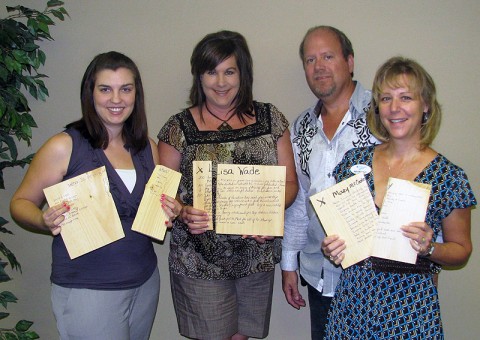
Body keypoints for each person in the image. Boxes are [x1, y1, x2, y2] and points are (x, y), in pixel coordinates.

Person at [10, 51, 181, 340]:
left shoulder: (147, 148)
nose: (116, 99)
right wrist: (43, 220)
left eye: (125, 89)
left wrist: (170, 210)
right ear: (90, 93)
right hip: (88, 288)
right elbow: (19, 203)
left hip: (144, 282)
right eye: (106, 89)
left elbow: (151, 209)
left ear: (136, 95)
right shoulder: (64, 146)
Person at [322, 56, 476, 338]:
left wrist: (430, 248)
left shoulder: (448, 176)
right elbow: (342, 234)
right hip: (352, 306)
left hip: (409, 310)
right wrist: (332, 247)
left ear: (426, 105)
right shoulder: (354, 162)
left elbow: (462, 250)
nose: (395, 108)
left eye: (406, 97)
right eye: (386, 98)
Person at [157, 30, 298, 340]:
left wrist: (270, 213)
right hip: (199, 262)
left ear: (242, 73)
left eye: (229, 71)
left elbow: (290, 184)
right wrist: (181, 212)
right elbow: (161, 197)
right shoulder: (177, 128)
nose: (220, 82)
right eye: (211, 71)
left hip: (254, 257)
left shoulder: (270, 120)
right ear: (199, 76)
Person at [280, 26, 378, 339]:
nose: (318, 66)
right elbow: (299, 201)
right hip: (318, 273)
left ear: (349, 61)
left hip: (376, 278)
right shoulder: (301, 128)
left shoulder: (385, 115)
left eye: (328, 56)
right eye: (310, 60)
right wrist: (288, 262)